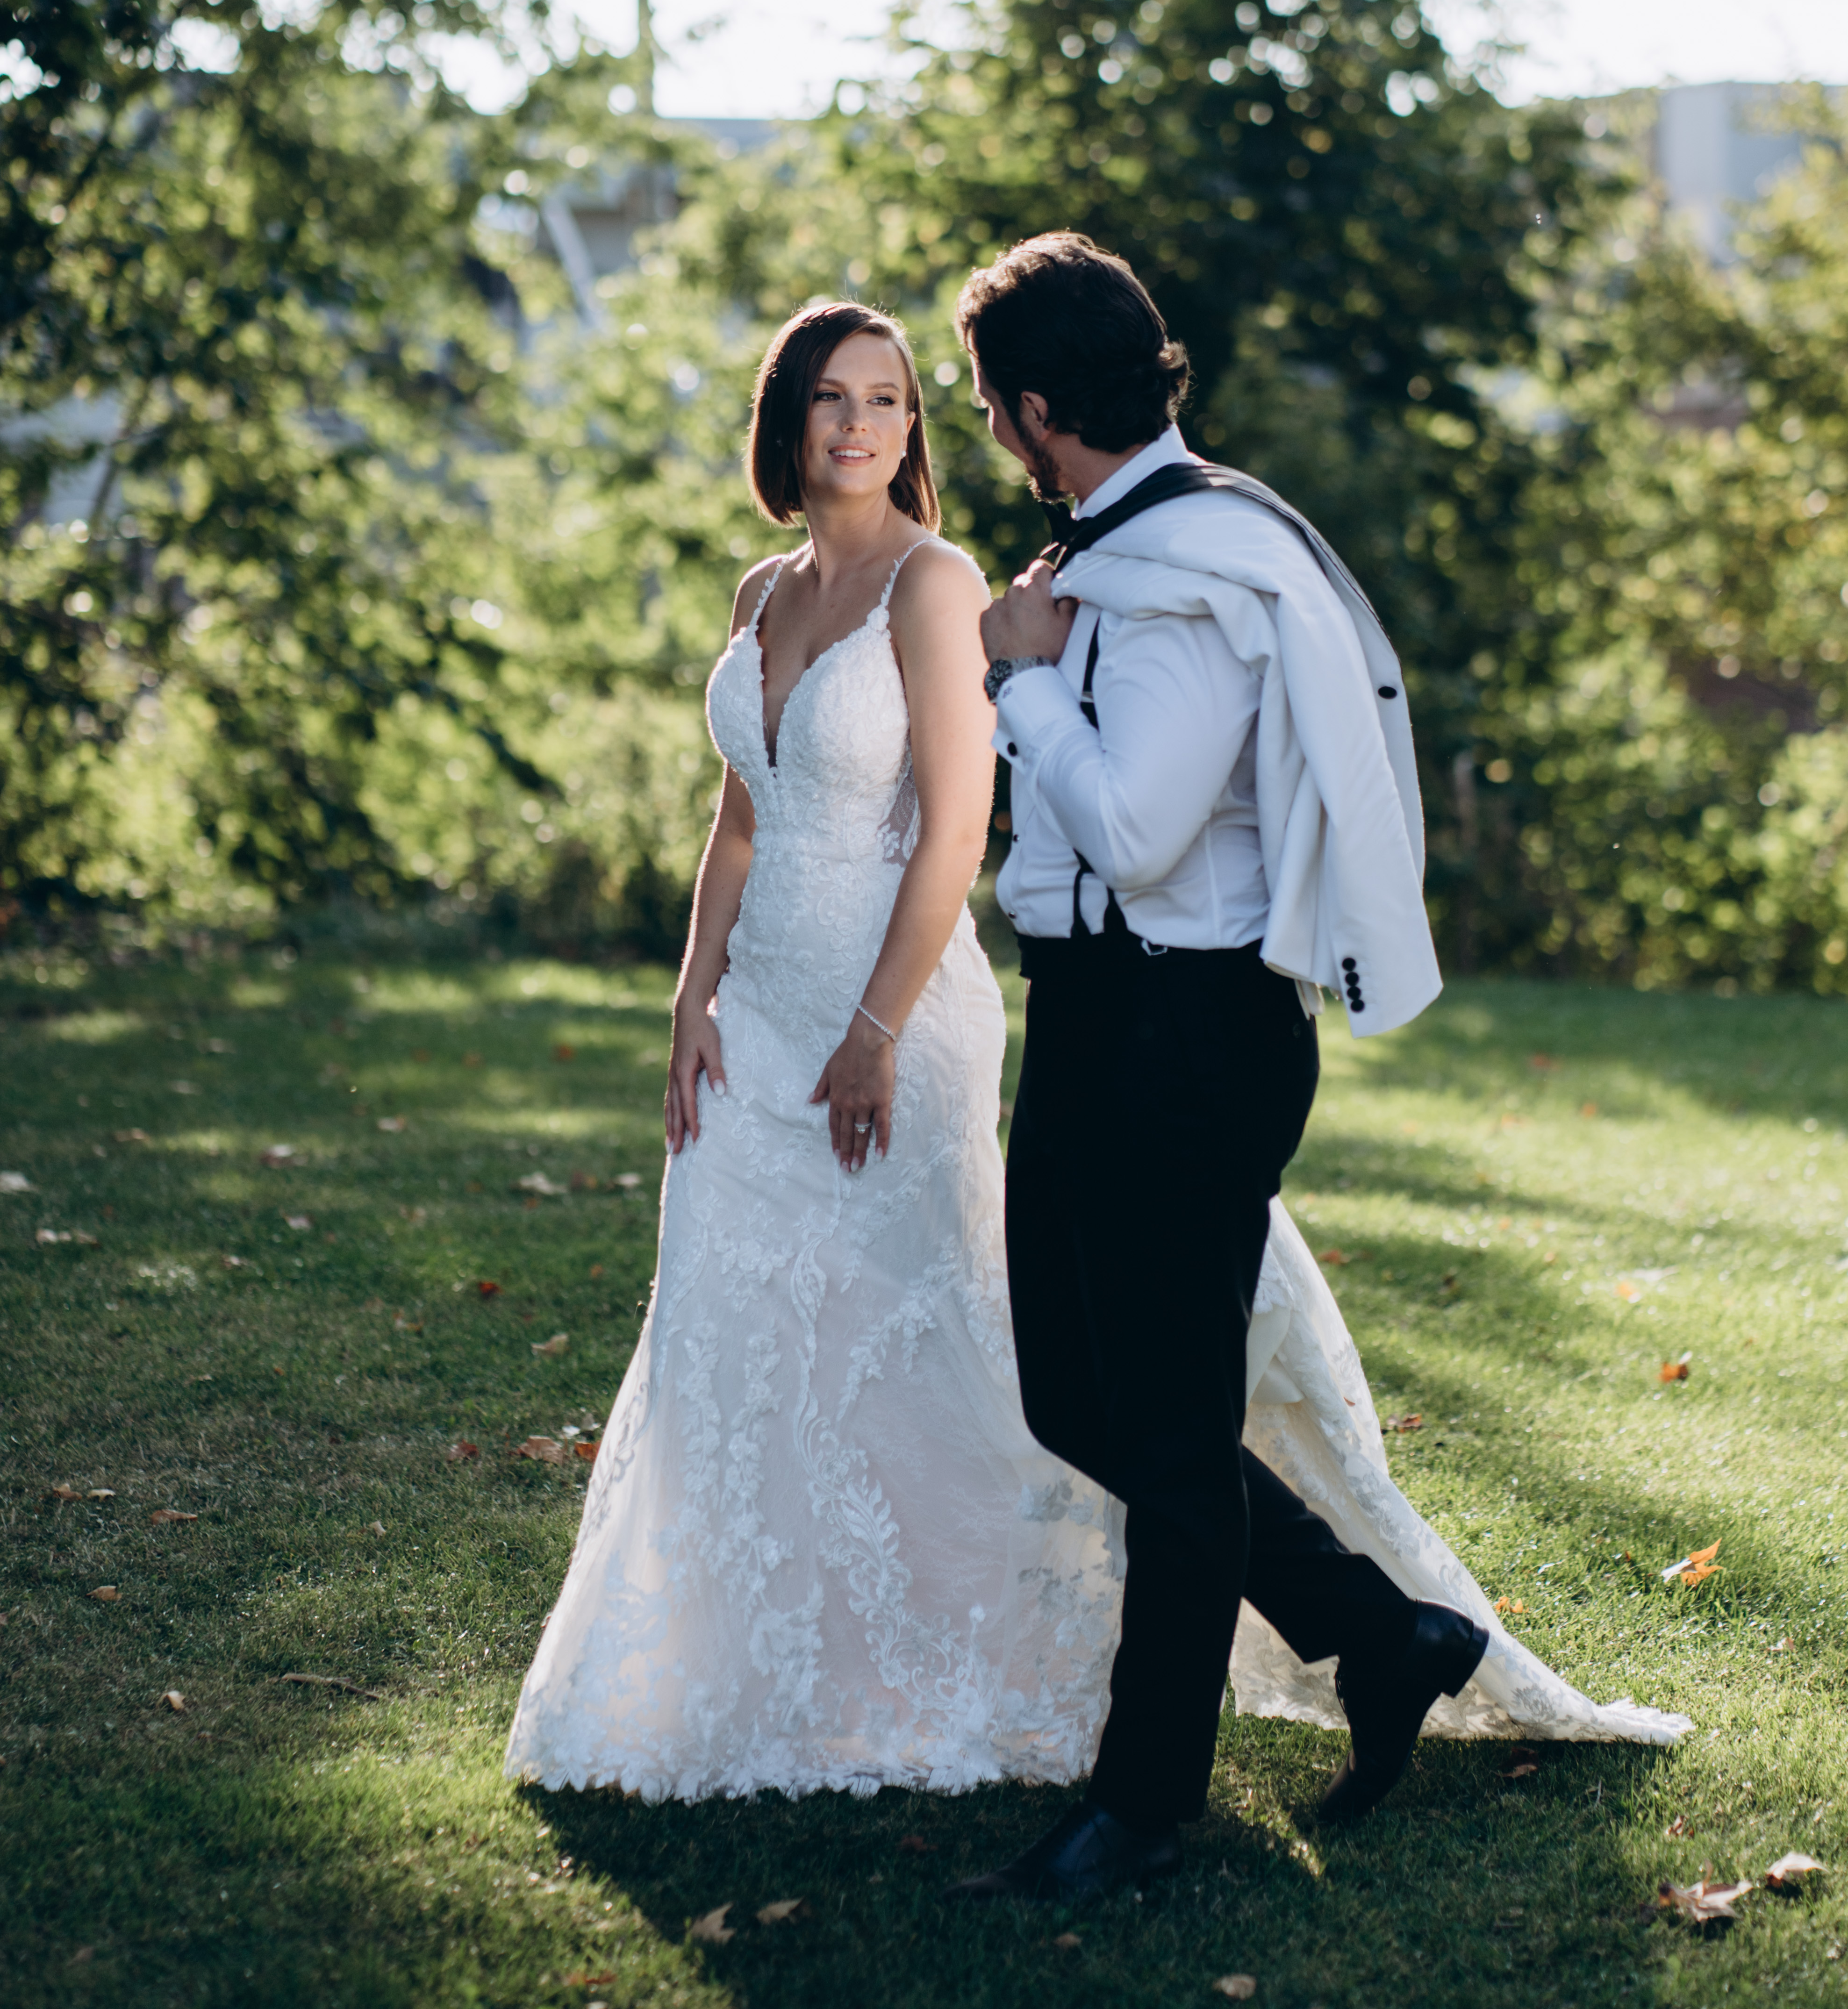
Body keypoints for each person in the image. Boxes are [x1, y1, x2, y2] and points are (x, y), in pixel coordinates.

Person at [945, 232, 1685, 1907]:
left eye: (988, 402)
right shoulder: (1105, 558)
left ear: (1037, 408)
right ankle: (1381, 1629)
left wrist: (1020, 678)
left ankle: (1141, 1805)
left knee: (1168, 1425)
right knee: (1077, 1395)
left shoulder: (1195, 570)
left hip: (1184, 1032)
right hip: (1091, 1018)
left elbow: (1137, 831)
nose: (987, 427)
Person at [502, 300, 1126, 1800]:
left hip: (891, 1015)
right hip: (757, 1015)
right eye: (832, 397)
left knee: (903, 1340)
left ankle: (967, 1649)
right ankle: (754, 1659)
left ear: (913, 429)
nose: (858, 423)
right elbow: (739, 817)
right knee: (731, 1325)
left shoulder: (933, 580)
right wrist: (691, 992)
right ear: (787, 419)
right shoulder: (763, 586)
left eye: (888, 399)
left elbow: (958, 829)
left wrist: (872, 1032)